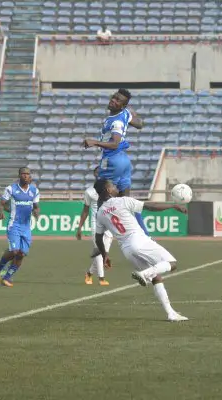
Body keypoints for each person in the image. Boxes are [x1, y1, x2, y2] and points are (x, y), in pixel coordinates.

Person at [93, 179, 188, 322]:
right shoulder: (123, 201)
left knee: (156, 278)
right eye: (112, 185)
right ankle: (144, 274)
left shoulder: (100, 213)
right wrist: (173, 205)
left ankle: (171, 313)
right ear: (108, 190)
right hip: (139, 240)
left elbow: (98, 237)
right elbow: (150, 206)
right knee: (172, 263)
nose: (115, 187)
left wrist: (105, 254)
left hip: (127, 249)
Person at [82, 89, 150, 236]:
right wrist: (131, 113)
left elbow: (114, 144)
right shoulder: (125, 114)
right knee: (127, 202)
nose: (113, 100)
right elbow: (140, 124)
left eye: (118, 100)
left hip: (112, 160)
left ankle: (99, 239)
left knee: (102, 199)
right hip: (124, 160)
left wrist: (94, 142)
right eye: (114, 97)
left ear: (122, 105)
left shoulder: (116, 121)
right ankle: (144, 234)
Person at [0, 167, 40, 287]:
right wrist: (0, 212)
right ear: (19, 175)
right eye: (23, 173)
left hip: (26, 227)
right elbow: (1, 204)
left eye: (28, 174)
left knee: (21, 254)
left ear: (30, 176)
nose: (25, 176)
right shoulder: (11, 189)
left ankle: (7, 278)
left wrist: (36, 213)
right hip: (14, 225)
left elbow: (36, 206)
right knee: (14, 251)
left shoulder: (34, 190)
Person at [75, 166, 112, 286]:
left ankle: (89, 273)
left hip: (109, 224)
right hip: (96, 223)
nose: (99, 174)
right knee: (99, 251)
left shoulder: (110, 190)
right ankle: (101, 278)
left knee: (104, 252)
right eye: (97, 172)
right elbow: (85, 210)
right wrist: (79, 227)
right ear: (94, 174)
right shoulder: (89, 191)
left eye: (102, 172)